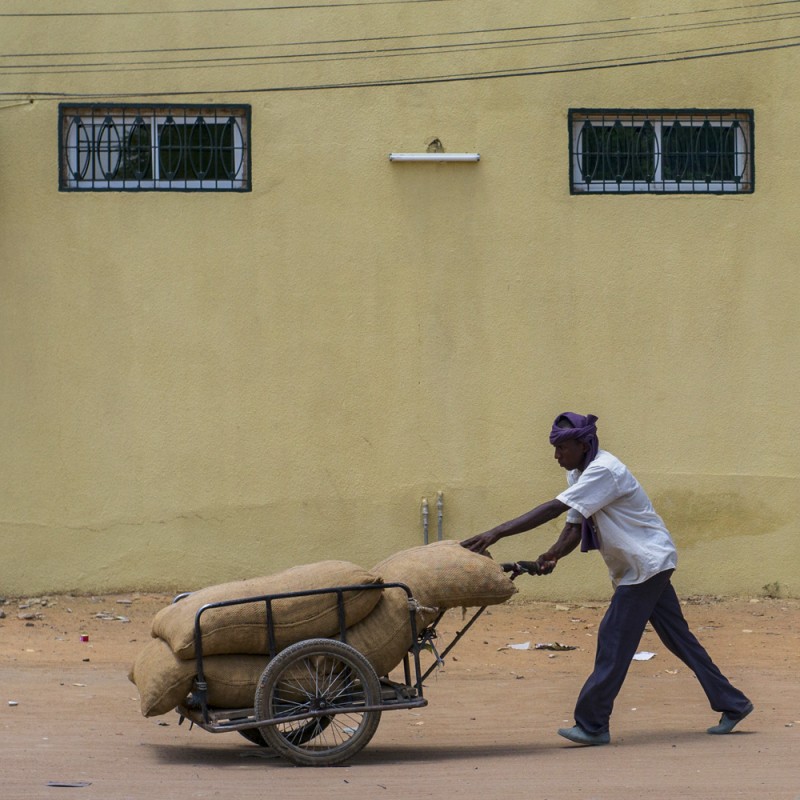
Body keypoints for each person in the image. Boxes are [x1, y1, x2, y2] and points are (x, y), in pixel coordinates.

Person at [461, 412, 753, 746]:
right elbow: (573, 525)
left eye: (562, 448)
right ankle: (734, 704)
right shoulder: (580, 473)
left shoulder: (604, 470)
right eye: (554, 448)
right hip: (645, 564)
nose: (557, 456)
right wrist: (552, 554)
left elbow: (554, 510)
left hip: (645, 565)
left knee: (613, 639)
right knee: (679, 640)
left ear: (584, 444)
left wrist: (496, 532)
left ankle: (593, 724)